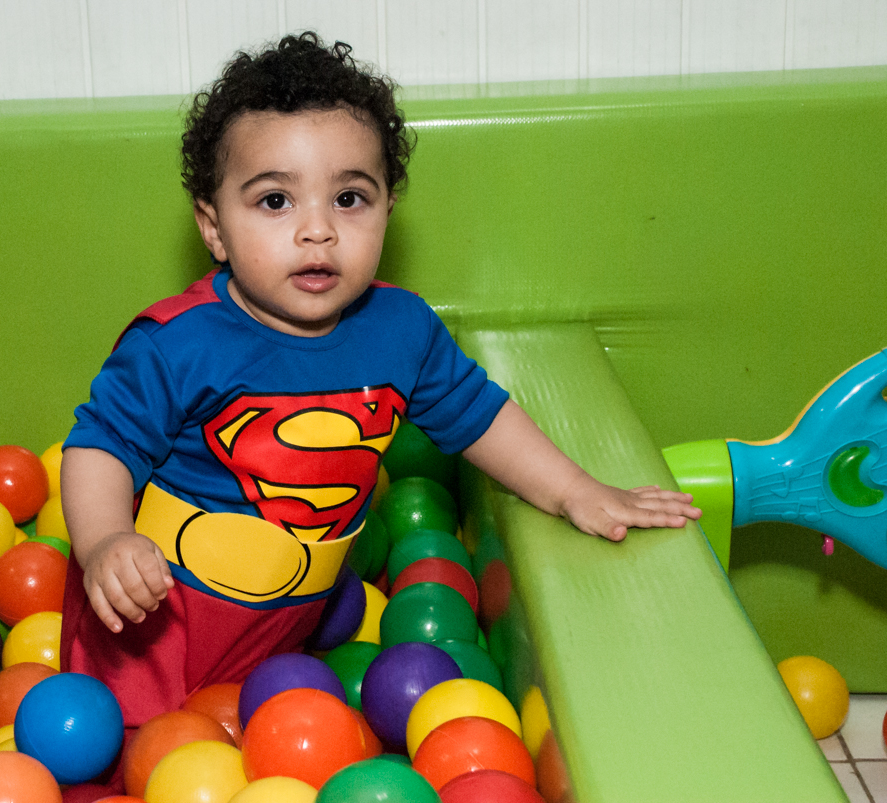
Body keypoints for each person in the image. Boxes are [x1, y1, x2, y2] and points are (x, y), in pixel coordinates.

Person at [60, 31, 700, 788]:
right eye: (274, 200)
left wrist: (573, 491)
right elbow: (99, 445)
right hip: (151, 630)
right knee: (142, 770)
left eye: (349, 198)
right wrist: (105, 541)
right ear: (213, 226)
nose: (318, 229)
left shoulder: (400, 331)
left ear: (388, 209)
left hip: (284, 644)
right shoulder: (178, 344)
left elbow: (480, 415)